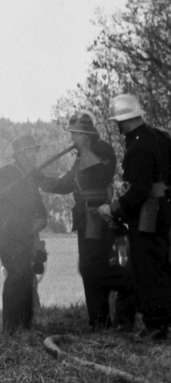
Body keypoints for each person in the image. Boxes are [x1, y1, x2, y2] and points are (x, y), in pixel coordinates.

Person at [39, 112, 135, 330]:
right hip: (85, 219)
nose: (72, 138)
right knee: (90, 268)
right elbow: (65, 184)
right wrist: (41, 180)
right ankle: (99, 322)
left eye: (75, 134)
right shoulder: (82, 156)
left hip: (101, 217)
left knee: (91, 268)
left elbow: (99, 174)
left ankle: (129, 287)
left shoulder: (102, 150)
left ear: (85, 134)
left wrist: (84, 149)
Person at [97, 94, 171, 340]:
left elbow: (139, 190)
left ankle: (156, 327)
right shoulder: (159, 137)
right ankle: (160, 323)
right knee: (161, 269)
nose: (118, 127)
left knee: (147, 271)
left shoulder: (138, 147)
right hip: (163, 210)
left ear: (128, 120)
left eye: (119, 122)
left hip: (148, 216)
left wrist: (114, 208)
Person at [0, 134, 48, 332]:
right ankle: (10, 328)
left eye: (35, 151)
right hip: (7, 234)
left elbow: (37, 204)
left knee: (25, 277)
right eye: (30, 152)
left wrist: (42, 217)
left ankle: (24, 326)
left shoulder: (30, 177)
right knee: (17, 275)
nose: (34, 155)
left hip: (25, 235)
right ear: (20, 154)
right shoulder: (6, 174)